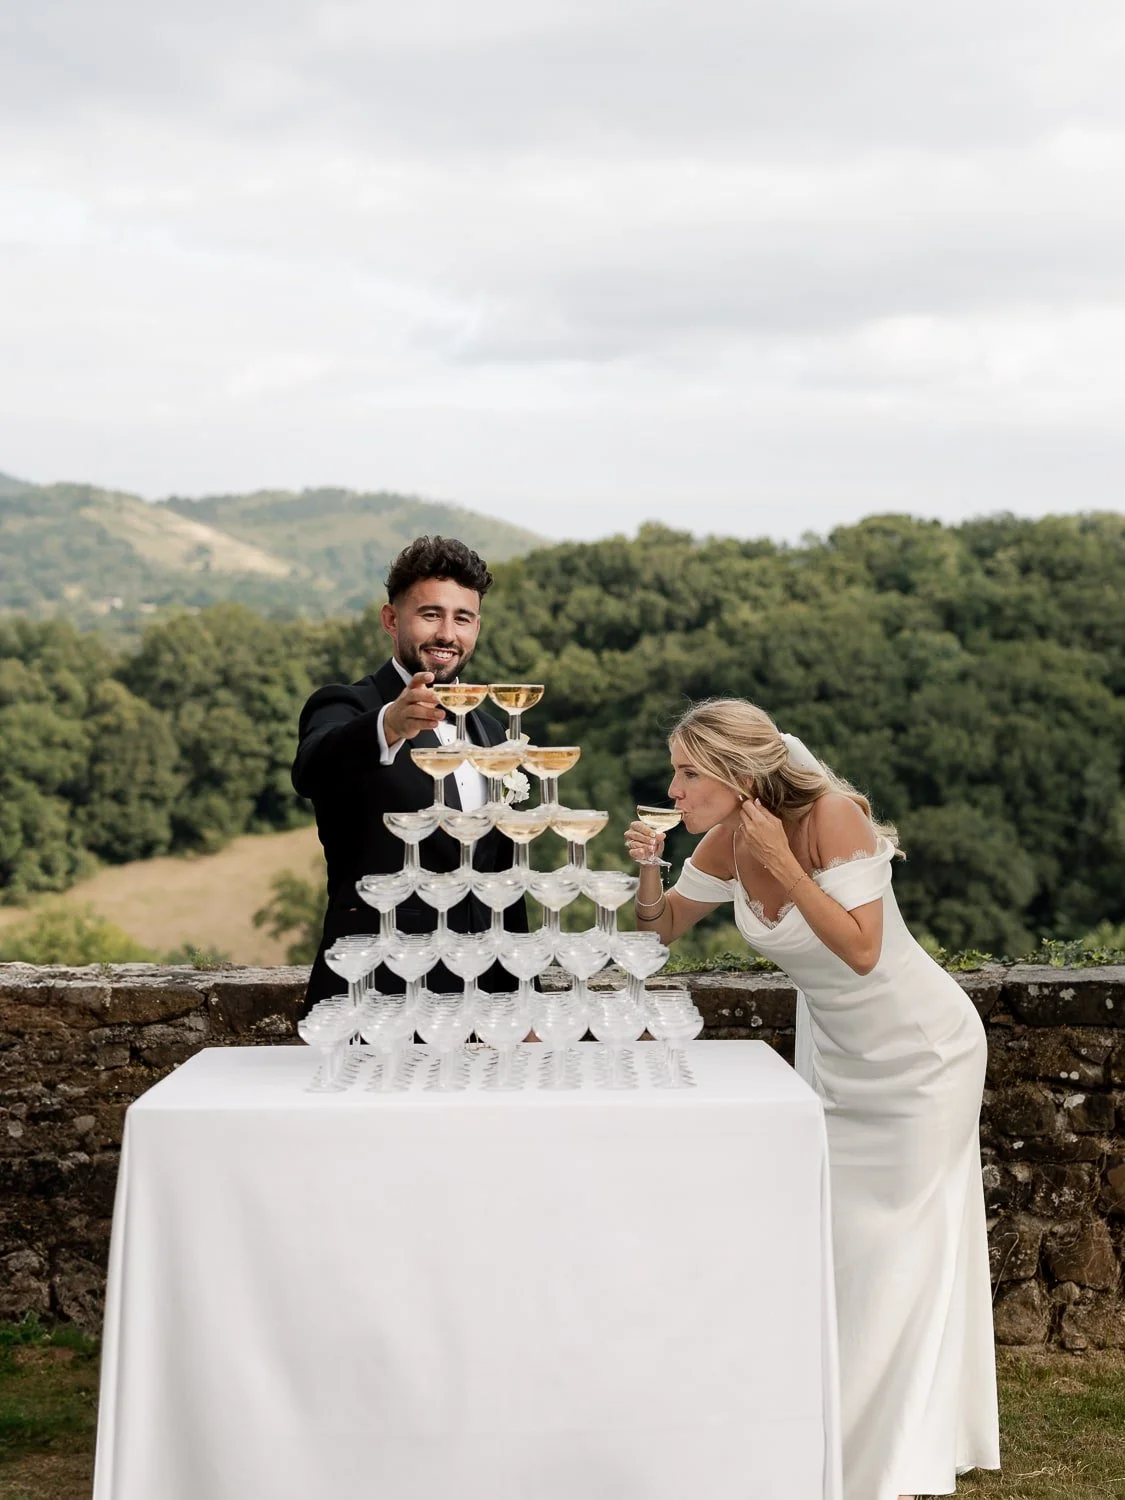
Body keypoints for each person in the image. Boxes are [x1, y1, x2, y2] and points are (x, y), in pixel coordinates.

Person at [624, 698, 1000, 1500]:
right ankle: (823, 1438)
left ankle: (890, 1464)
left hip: (920, 1057)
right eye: (677, 771)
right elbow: (657, 936)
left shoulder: (831, 815)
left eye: (688, 771)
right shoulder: (723, 839)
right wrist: (652, 864)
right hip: (835, 1060)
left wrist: (785, 865)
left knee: (897, 1253)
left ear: (736, 771)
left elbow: (862, 951)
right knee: (838, 1251)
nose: (675, 785)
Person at [291, 535, 526, 1017]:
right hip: (377, 989)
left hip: (487, 995)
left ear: (477, 626)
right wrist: (389, 725)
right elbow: (312, 768)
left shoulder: (490, 728)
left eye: (462, 618)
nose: (447, 634)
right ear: (391, 619)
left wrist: (523, 992)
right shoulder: (347, 706)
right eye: (430, 614)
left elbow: (502, 876)